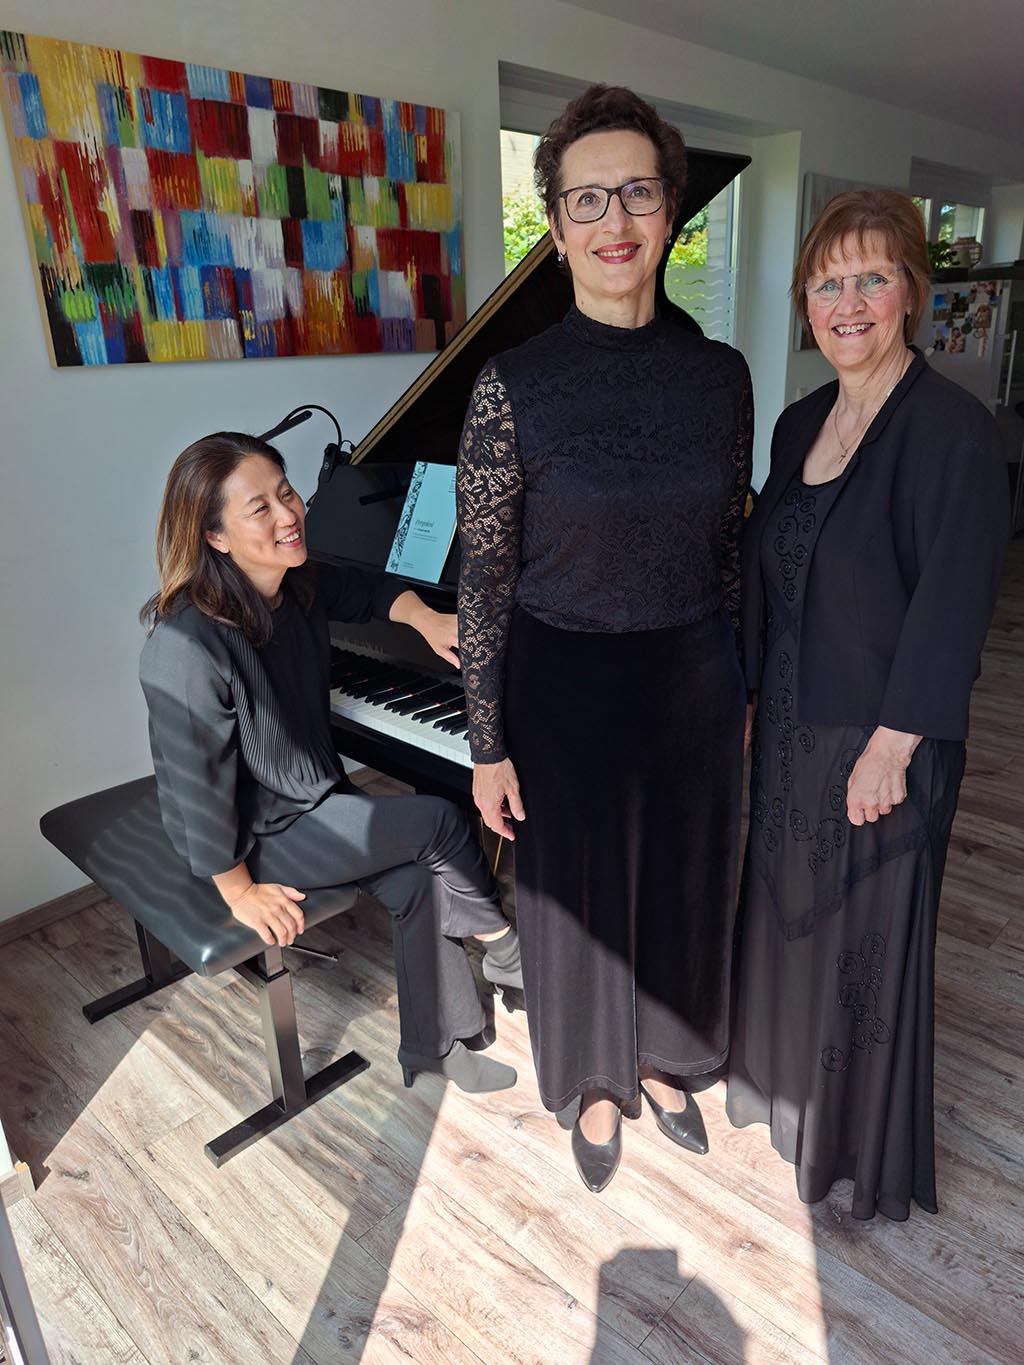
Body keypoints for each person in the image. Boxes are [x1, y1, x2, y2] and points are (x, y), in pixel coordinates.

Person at [457, 85, 752, 1192]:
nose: (613, 219)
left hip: (692, 675)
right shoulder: (511, 386)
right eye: (587, 199)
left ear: (670, 212)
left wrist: (741, 681)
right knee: (574, 899)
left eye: (636, 192)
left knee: (684, 881)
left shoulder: (717, 376)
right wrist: (487, 742)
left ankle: (670, 1060)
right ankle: (592, 1082)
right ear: (555, 225)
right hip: (563, 683)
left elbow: (729, 546)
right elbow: (484, 578)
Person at [727, 190, 1009, 1220]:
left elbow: (954, 600)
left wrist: (893, 746)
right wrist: (747, 692)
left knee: (861, 942)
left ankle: (848, 1145)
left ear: (910, 293)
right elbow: (771, 570)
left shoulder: (953, 432)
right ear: (805, 302)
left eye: (870, 280)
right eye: (826, 284)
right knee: (789, 918)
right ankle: (787, 1099)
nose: (846, 304)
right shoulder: (800, 420)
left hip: (882, 738)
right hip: (791, 725)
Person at [139, 432, 523, 1094]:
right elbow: (193, 791)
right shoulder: (185, 647)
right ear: (216, 536)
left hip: (318, 802)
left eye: (286, 492)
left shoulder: (297, 584)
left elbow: (371, 590)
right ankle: (507, 951)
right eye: (259, 507)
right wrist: (238, 890)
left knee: (418, 883)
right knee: (439, 820)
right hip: (261, 836)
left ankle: (433, 1048)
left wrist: (426, 619)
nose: (287, 514)